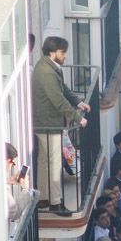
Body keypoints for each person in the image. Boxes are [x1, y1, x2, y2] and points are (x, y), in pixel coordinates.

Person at [32, 34, 89, 214]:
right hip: (48, 123)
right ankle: (55, 202)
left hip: (46, 123)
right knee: (53, 162)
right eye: (63, 52)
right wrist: (78, 118)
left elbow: (62, 89)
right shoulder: (47, 72)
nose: (65, 56)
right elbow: (58, 100)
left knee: (45, 161)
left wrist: (78, 102)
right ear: (52, 52)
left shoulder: (49, 66)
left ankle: (43, 198)